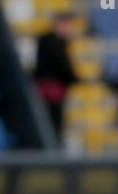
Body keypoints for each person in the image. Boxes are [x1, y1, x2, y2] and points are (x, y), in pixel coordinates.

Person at [34, 10, 79, 140]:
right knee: (53, 124)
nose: (69, 28)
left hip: (53, 89)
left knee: (55, 124)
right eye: (67, 24)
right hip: (51, 90)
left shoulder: (51, 41)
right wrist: (74, 79)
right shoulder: (52, 42)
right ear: (60, 24)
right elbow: (63, 67)